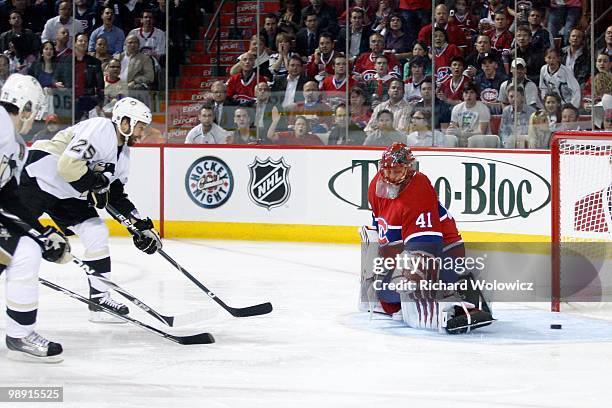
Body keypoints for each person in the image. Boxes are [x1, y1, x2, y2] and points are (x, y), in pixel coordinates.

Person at [16, 97, 161, 322]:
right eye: (140, 127)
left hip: (67, 192)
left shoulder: (123, 155)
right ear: (124, 122)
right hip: (40, 177)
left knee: (96, 231)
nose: (141, 134)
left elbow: (116, 195)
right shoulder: (100, 128)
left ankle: (100, 299)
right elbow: (67, 166)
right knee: (11, 236)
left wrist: (139, 226)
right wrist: (93, 184)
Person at [363, 142, 493, 332]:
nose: (390, 177)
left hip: (445, 249)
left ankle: (462, 292)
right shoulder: (376, 185)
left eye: (397, 171)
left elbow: (426, 247)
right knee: (387, 295)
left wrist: (415, 282)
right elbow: (381, 229)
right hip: (405, 249)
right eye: (387, 171)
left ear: (408, 169)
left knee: (419, 306)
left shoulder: (418, 189)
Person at [0, 73, 70, 362]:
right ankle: (19, 332)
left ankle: (20, 332)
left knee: (24, 250)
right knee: (23, 250)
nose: (34, 118)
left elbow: (9, 197)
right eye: (34, 111)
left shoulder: (15, 146)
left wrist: (40, 231)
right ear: (26, 106)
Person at [446, 82, 491, 147]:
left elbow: (481, 132)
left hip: (479, 141)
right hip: (461, 140)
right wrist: (450, 131)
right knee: (449, 138)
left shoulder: (483, 109)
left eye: (472, 92)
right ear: (462, 95)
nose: (469, 95)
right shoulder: (457, 108)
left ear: (476, 95)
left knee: (474, 140)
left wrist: (462, 134)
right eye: (466, 93)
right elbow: (453, 127)